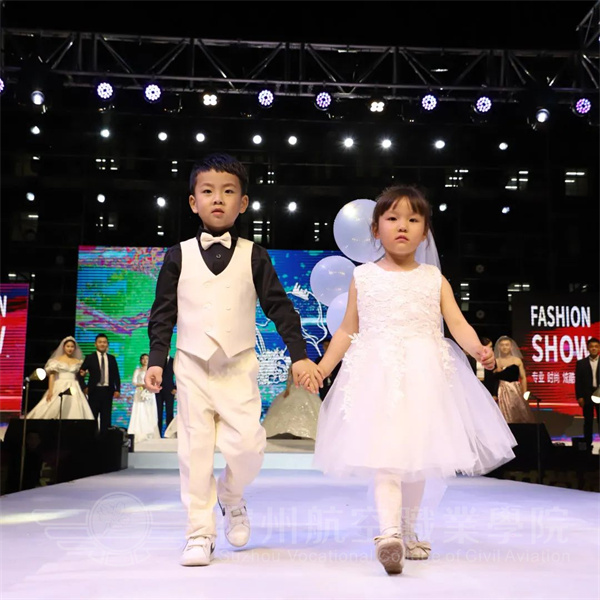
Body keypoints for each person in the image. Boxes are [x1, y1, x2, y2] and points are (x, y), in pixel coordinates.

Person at [303, 185, 516, 576]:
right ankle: (388, 535)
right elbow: (348, 329)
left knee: (417, 458)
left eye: (413, 219)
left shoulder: (434, 278)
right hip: (377, 376)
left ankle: (407, 528)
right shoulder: (363, 277)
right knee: (386, 456)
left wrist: (478, 350)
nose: (403, 226)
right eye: (393, 218)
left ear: (425, 231)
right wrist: (324, 366)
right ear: (376, 229)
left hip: (424, 376)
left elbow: (457, 324)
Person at [145, 153, 322, 567]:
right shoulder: (177, 255)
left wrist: (299, 355)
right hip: (191, 365)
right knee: (195, 452)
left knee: (248, 447)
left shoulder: (254, 255)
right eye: (208, 192)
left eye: (228, 192)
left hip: (238, 366)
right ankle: (199, 533)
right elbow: (163, 312)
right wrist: (156, 359)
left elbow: (280, 308)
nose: (218, 199)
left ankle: (232, 494)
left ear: (243, 203)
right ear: (193, 202)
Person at [27, 336, 94, 420]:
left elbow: (81, 376)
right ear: (63, 347)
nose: (70, 348)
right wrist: (50, 391)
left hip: (74, 386)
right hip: (59, 384)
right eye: (68, 346)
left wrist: (83, 374)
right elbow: (52, 376)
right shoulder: (56, 360)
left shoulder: (78, 362)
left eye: (72, 347)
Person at [262, 365, 322, 440]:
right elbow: (289, 379)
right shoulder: (294, 366)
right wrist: (287, 390)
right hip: (295, 389)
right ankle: (291, 432)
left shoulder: (308, 366)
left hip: (305, 390)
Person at [79, 333, 121, 432]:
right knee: (92, 416)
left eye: (104, 342)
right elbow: (80, 373)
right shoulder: (90, 357)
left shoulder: (112, 358)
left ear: (107, 344)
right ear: (95, 344)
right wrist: (84, 387)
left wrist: (117, 389)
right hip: (94, 391)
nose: (102, 344)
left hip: (107, 391)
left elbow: (116, 375)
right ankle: (92, 439)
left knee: (106, 417)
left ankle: (104, 439)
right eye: (100, 342)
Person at [493, 335, 535, 424]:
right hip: (502, 390)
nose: (504, 347)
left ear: (511, 347)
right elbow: (492, 378)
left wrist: (524, 392)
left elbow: (523, 377)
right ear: (499, 347)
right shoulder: (496, 361)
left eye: (507, 345)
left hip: (516, 389)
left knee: (520, 413)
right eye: (502, 345)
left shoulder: (517, 360)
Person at [127, 354, 160, 443]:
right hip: (140, 392)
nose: (145, 360)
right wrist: (142, 385)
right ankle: (140, 432)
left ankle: (151, 432)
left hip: (150, 393)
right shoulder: (138, 370)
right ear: (141, 360)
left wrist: (151, 386)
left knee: (150, 411)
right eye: (143, 359)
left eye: (147, 359)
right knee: (140, 410)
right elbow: (134, 382)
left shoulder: (152, 371)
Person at [575, 337, 600, 451]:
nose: (594, 348)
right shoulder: (581, 363)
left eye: (596, 346)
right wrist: (579, 397)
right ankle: (588, 446)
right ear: (588, 348)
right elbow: (578, 382)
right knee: (588, 421)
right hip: (587, 395)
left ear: (599, 348)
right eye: (591, 346)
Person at [156, 354, 176, 437]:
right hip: (158, 390)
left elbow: (179, 375)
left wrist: (175, 388)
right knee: (158, 413)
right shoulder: (157, 360)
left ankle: (169, 434)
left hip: (170, 391)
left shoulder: (173, 361)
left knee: (169, 413)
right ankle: (158, 434)